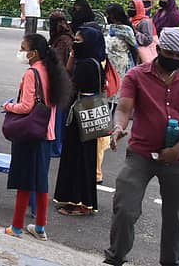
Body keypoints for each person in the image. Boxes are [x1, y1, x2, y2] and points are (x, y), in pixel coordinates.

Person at [104, 27, 179, 266]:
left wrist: (178, 149)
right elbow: (123, 109)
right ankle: (116, 258)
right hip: (140, 154)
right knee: (125, 208)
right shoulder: (137, 75)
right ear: (158, 50)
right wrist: (118, 128)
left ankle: (171, 262)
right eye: (169, 53)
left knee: (175, 216)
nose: (174, 60)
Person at [2, 34, 70, 241]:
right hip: (46, 132)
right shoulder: (51, 70)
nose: (21, 52)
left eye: (23, 48)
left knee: (24, 180)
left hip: (30, 133)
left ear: (33, 53)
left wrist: (7, 106)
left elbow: (26, 106)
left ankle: (16, 227)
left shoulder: (32, 73)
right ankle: (40, 227)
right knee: (41, 181)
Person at [54, 26, 106, 216]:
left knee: (80, 159)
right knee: (80, 157)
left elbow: (71, 81)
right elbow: (69, 70)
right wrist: (73, 54)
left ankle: (80, 203)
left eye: (78, 40)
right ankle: (77, 199)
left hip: (82, 116)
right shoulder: (93, 62)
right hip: (87, 115)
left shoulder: (87, 66)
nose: (75, 43)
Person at [98, 3, 139, 184]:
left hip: (121, 67)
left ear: (114, 15)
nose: (107, 17)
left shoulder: (126, 30)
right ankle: (106, 131)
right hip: (109, 66)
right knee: (107, 97)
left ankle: (114, 130)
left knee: (117, 99)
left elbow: (135, 49)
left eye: (109, 14)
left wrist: (134, 69)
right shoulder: (111, 28)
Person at [47, 11, 74, 157]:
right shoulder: (64, 37)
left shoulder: (63, 41)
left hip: (61, 83)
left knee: (57, 117)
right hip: (63, 82)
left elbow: (60, 64)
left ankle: (56, 147)